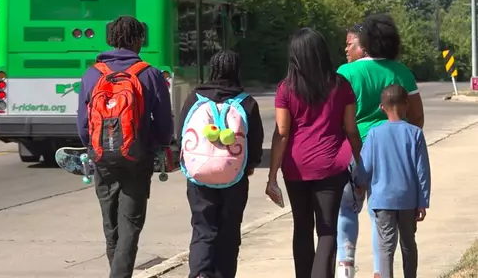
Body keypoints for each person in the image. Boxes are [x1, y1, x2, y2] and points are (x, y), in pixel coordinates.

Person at [76, 16, 173, 278]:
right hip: (137, 158)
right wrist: (158, 145)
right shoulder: (150, 74)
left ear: (111, 39)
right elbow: (164, 124)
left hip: (102, 159)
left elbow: (83, 124)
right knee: (130, 225)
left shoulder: (92, 74)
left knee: (111, 227)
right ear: (139, 39)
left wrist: (94, 148)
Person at [266, 28, 362, 278]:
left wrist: (272, 175)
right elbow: (351, 130)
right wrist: (360, 161)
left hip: (295, 167)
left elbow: (282, 133)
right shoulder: (340, 85)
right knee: (327, 230)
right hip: (332, 165)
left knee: (302, 227)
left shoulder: (286, 88)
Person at [336, 14, 426, 278]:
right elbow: (417, 116)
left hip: (355, 149)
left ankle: (346, 267)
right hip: (392, 156)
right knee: (382, 214)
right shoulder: (401, 72)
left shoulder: (347, 72)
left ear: (365, 42)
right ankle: (380, 270)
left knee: (347, 209)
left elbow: (336, 116)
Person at [179, 50, 264, 278]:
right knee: (229, 233)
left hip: (199, 177)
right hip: (234, 179)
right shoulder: (246, 102)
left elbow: (180, 134)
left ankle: (199, 273)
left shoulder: (195, 98)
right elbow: (255, 144)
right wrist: (249, 166)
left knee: (202, 230)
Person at [360, 84, 431, 278]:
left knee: (385, 247)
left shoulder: (374, 134)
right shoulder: (415, 133)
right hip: (408, 199)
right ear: (407, 105)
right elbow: (422, 171)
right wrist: (422, 202)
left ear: (382, 108)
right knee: (408, 243)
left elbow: (364, 168)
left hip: (382, 200)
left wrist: (358, 185)